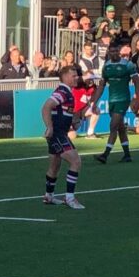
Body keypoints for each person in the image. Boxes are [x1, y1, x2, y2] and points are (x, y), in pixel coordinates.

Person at [41, 65, 85, 210]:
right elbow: (46, 107)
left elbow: (61, 112)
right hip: (58, 133)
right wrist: (50, 127)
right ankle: (70, 198)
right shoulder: (62, 92)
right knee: (76, 161)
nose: (76, 77)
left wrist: (72, 122)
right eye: (73, 75)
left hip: (59, 132)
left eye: (77, 75)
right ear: (65, 77)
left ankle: (49, 195)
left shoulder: (67, 93)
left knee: (54, 165)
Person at [94, 47, 139, 164]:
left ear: (119, 52)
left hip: (123, 99)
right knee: (120, 128)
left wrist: (137, 99)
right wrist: (94, 101)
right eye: (112, 51)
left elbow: (137, 83)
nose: (114, 53)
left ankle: (105, 155)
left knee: (113, 126)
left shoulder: (128, 65)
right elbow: (101, 85)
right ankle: (127, 155)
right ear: (109, 53)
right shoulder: (106, 66)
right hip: (112, 100)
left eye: (116, 51)